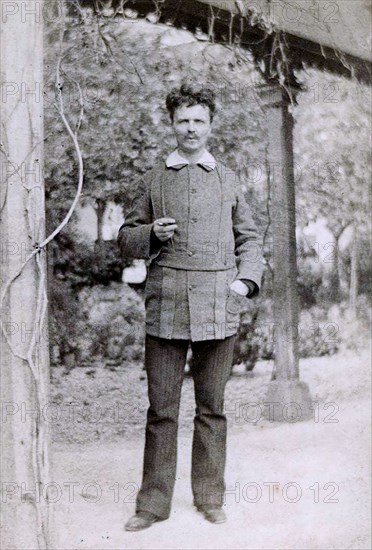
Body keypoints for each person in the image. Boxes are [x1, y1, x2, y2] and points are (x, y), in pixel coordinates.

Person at [118, 83, 263, 531]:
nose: (191, 129)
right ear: (172, 124)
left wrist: (244, 282)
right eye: (183, 120)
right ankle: (153, 504)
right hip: (165, 307)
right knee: (161, 409)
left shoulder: (229, 177)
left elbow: (250, 238)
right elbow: (125, 236)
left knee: (212, 407)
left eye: (199, 120)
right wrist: (149, 236)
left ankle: (210, 496)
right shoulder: (153, 178)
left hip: (219, 307)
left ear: (211, 125)